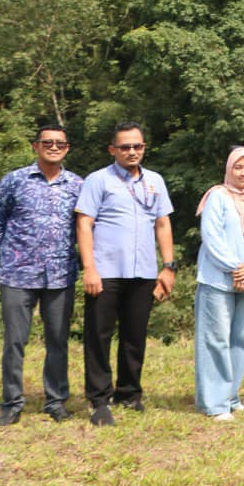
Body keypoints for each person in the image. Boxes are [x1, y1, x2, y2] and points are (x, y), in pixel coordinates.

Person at [75, 122, 176, 427]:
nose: (132, 151)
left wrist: (168, 267)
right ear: (113, 150)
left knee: (135, 335)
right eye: (125, 147)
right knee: (99, 336)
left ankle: (129, 393)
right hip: (105, 271)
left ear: (144, 148)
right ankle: (99, 400)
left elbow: (163, 225)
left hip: (143, 272)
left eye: (138, 146)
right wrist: (89, 268)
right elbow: (84, 224)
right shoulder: (98, 180)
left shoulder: (155, 181)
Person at [0, 124, 83, 425]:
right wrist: (6, 257)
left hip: (60, 275)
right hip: (17, 275)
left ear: (67, 148)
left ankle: (55, 401)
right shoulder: (14, 180)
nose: (53, 146)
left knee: (58, 340)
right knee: (15, 342)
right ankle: (12, 403)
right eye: (47, 142)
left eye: (60, 143)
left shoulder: (77, 185)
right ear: (35, 146)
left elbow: (86, 228)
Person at [194, 146, 244, 420]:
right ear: (229, 170)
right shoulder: (217, 196)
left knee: (241, 340)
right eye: (238, 167)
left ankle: (230, 396)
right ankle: (214, 404)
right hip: (218, 279)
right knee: (215, 340)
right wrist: (236, 268)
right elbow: (211, 237)